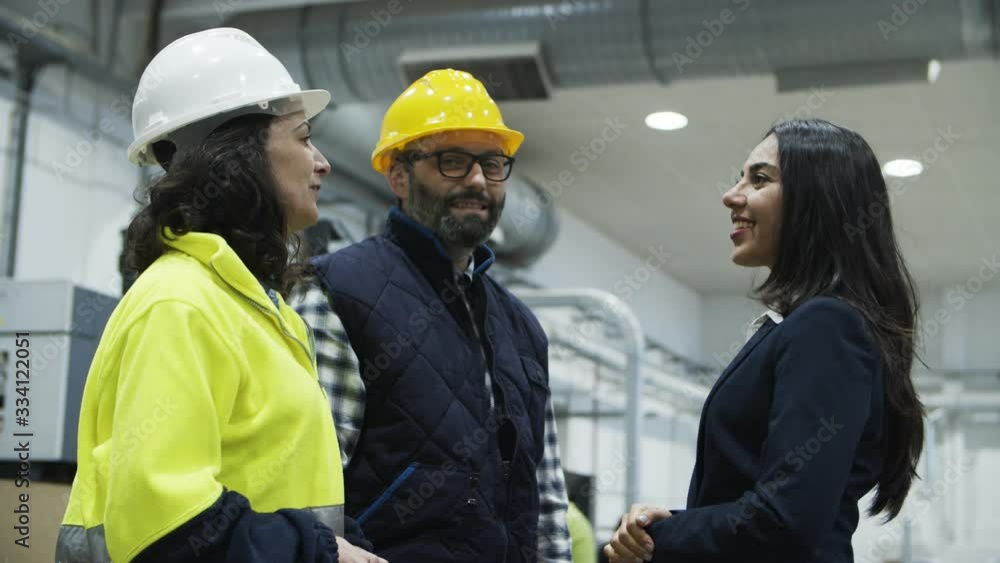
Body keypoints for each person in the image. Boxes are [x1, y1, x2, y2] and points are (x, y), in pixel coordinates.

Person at [57, 27, 383, 563]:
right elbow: (166, 528)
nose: (322, 163)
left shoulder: (263, 311)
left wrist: (343, 548)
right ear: (242, 155)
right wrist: (325, 555)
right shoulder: (180, 305)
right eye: (303, 138)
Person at [604, 119, 925, 563]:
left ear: (817, 199)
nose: (731, 195)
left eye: (759, 179)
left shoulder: (826, 325)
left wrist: (659, 536)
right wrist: (662, 527)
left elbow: (783, 519)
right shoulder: (806, 325)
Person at [292, 68, 572, 562]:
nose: (478, 181)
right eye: (452, 162)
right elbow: (311, 489)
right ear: (398, 175)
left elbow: (546, 500)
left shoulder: (523, 329)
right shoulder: (337, 292)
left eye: (493, 163)